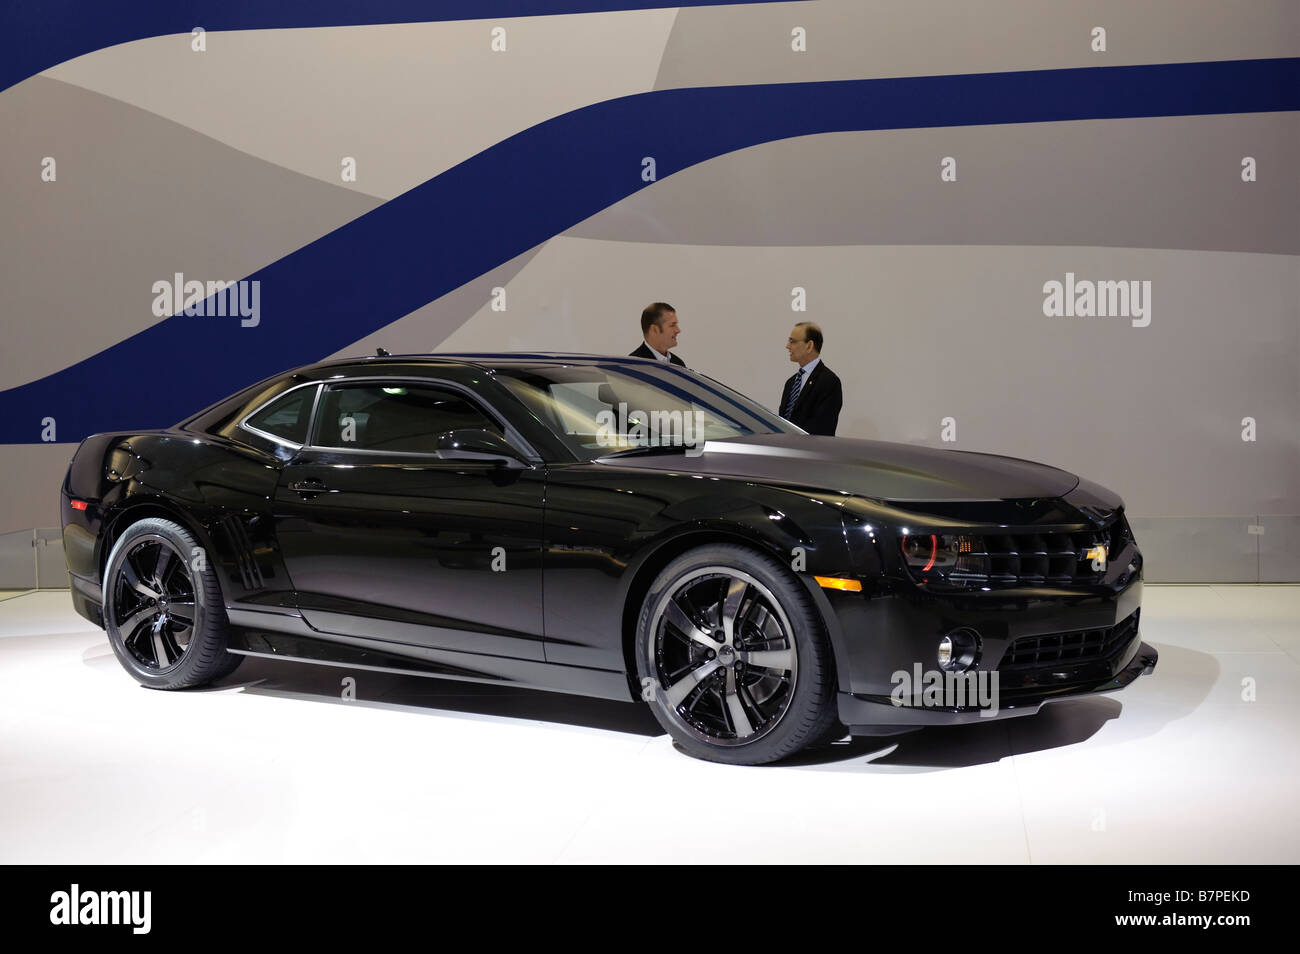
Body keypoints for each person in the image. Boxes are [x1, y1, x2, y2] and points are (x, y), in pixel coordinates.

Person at [779, 321, 842, 436]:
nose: (787, 346)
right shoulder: (791, 383)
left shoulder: (829, 382)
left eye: (792, 341)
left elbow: (823, 428)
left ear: (809, 346)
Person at [630, 302, 686, 367]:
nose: (678, 330)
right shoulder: (633, 365)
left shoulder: (678, 364)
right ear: (654, 329)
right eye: (672, 325)